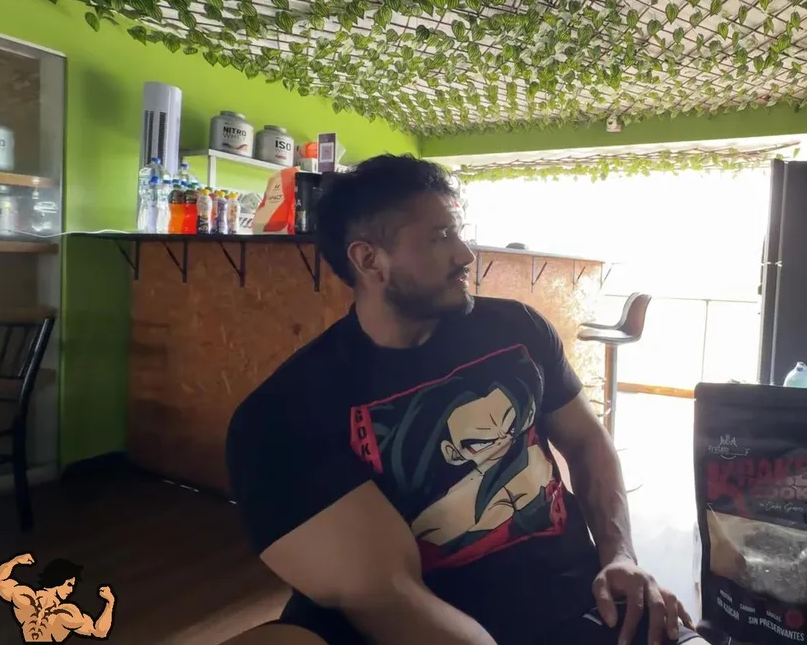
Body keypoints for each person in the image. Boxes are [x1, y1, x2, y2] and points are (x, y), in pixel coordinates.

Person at [224, 154, 706, 645]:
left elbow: (585, 442)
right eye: (440, 237)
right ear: (369, 260)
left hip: (576, 600)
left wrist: (619, 555)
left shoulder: (518, 328)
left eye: (458, 232)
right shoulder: (288, 409)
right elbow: (385, 595)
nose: (465, 256)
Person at [0, 553, 115, 640]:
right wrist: (110, 602)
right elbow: (99, 632)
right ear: (59, 578)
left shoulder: (24, 596)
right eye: (69, 584)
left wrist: (15, 561)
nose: (71, 590)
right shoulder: (66, 613)